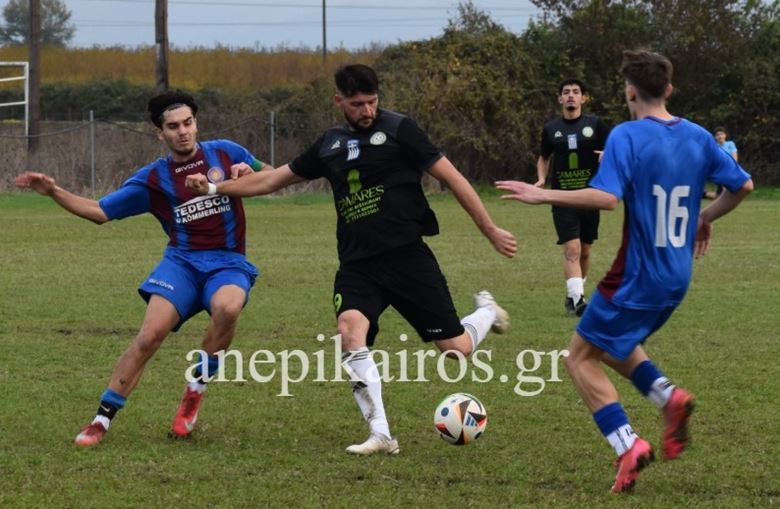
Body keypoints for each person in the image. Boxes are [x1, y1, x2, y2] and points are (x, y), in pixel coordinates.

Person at [186, 64, 517, 455]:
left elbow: (455, 178)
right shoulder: (329, 144)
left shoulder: (400, 129)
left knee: (456, 348)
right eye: (357, 104)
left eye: (372, 102)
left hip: (407, 258)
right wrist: (215, 189)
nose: (367, 111)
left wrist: (489, 229)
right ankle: (382, 434)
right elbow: (273, 179)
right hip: (358, 264)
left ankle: (487, 312)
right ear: (339, 101)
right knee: (349, 331)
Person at [497, 50, 752, 493]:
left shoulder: (627, 136)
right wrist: (703, 217)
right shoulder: (697, 136)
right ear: (668, 89)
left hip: (637, 274)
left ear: (630, 92)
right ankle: (669, 397)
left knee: (579, 358)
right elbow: (743, 185)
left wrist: (543, 194)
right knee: (613, 343)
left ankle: (628, 445)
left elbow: (606, 198)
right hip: (677, 275)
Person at [14, 90, 273, 446]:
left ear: (196, 123)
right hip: (181, 264)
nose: (183, 131)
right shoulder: (153, 179)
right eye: (173, 126)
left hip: (228, 262)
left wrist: (247, 172)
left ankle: (195, 390)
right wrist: (54, 191)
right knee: (149, 336)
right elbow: (99, 212)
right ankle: (101, 420)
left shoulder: (227, 152)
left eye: (188, 123)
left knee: (228, 308)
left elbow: (272, 175)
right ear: (159, 133)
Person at [536, 79, 611, 316]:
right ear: (560, 99)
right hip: (562, 197)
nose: (571, 95)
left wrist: (607, 154)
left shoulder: (596, 125)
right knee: (572, 248)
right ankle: (577, 300)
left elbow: (615, 149)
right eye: (566, 92)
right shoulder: (551, 128)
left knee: (585, 251)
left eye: (576, 92)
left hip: (590, 196)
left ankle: (575, 294)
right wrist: (541, 178)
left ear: (583, 98)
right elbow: (543, 157)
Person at [704, 127, 738, 199]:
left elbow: (734, 157)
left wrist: (733, 168)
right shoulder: (714, 147)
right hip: (720, 171)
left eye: (721, 134)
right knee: (722, 194)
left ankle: (704, 194)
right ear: (715, 137)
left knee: (718, 196)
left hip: (731, 169)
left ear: (725, 135)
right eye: (717, 135)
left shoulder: (730, 144)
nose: (720, 136)